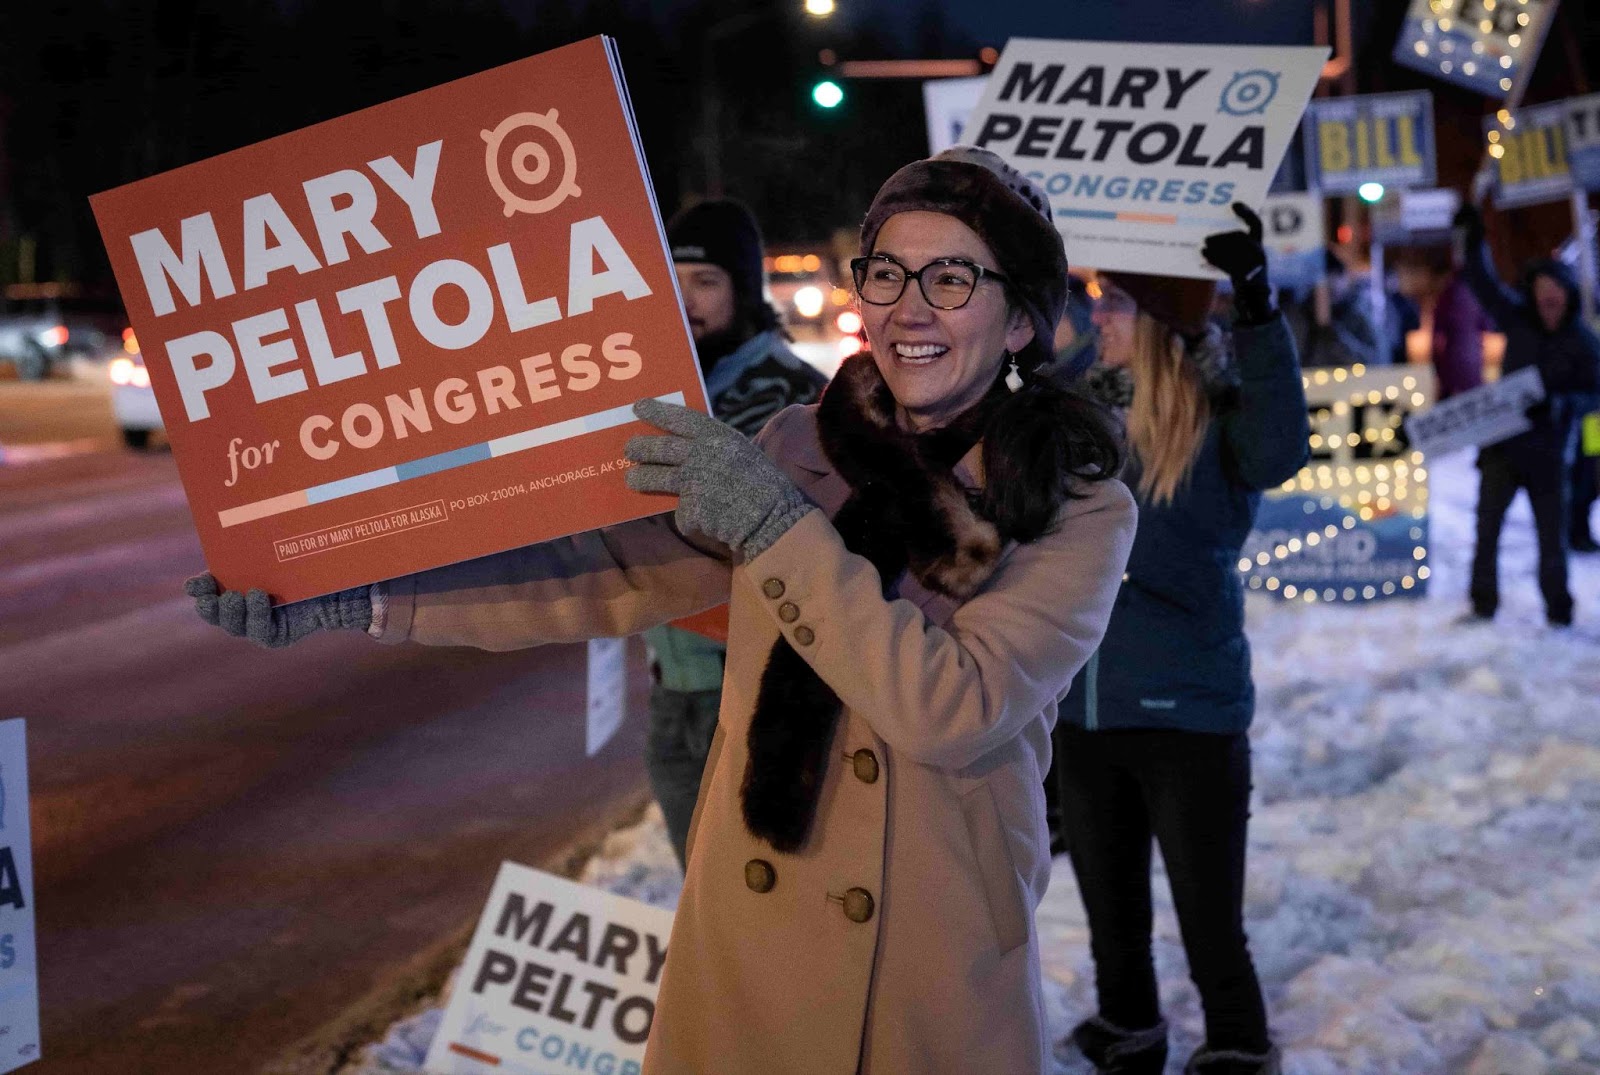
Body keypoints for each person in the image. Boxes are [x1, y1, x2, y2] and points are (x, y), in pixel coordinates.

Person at [186, 146, 1137, 1073]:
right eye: (887, 272)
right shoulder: (804, 440)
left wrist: (775, 527)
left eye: (954, 279)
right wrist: (361, 590)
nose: (910, 309)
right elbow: (608, 570)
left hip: (928, 967)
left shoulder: (1075, 504)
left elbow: (950, 706)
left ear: (1020, 321)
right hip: (752, 945)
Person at [1056, 205, 1310, 1075]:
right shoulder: (1080, 408)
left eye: (1116, 305)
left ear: (1159, 326)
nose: (1098, 318)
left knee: (1209, 919)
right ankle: (1131, 1029)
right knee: (1109, 911)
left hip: (1188, 715)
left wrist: (1252, 306)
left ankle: (1237, 1043)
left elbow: (1282, 448)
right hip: (1088, 712)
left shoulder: (1218, 414)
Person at [645, 198, 826, 869]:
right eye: (674, 279)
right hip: (676, 688)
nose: (686, 299)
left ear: (743, 289)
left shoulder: (793, 397)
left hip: (752, 693)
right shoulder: (666, 390)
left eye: (707, 281)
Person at [1454, 203, 1600, 626]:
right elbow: (1481, 282)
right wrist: (1471, 237)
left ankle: (1558, 612)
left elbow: (1594, 392)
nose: (1547, 299)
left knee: (1551, 541)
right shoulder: (1518, 322)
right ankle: (1483, 605)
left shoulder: (1583, 342)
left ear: (1567, 296)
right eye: (1540, 291)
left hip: (1551, 456)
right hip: (1502, 448)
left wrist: (1561, 405)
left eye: (1555, 291)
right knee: (1486, 534)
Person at [1428, 252, 1492, 401]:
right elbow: (1488, 325)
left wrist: (1436, 365)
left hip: (1452, 360)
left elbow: (1437, 337)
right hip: (1473, 357)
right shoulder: (1476, 295)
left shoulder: (1446, 297)